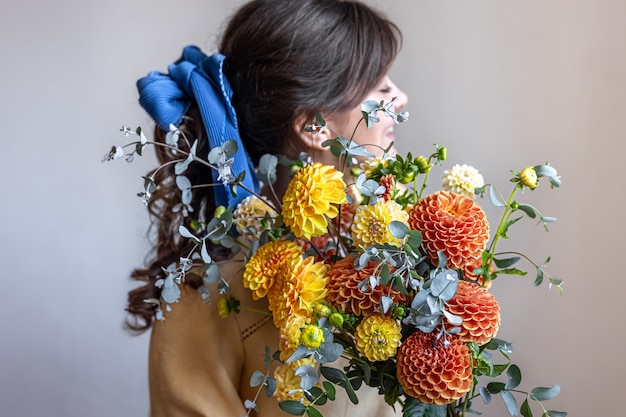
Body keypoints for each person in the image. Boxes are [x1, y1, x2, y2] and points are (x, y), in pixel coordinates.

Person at [126, 0, 408, 415]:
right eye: (381, 87)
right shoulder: (210, 290)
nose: (401, 98)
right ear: (314, 126)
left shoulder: (404, 241)